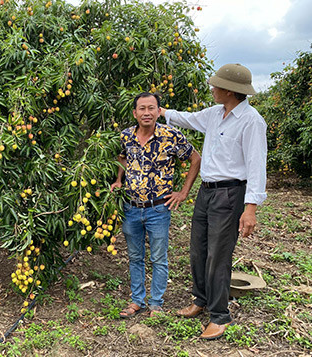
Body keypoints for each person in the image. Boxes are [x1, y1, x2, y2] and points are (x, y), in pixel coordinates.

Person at [160, 63, 267, 339]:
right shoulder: (214, 114)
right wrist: (159, 111)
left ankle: (220, 316)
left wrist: (250, 208)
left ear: (231, 91)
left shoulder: (251, 121)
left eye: (216, 85)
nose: (212, 88)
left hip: (231, 193)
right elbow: (188, 118)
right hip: (206, 191)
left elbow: (257, 166)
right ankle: (201, 300)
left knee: (218, 255)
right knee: (198, 248)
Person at [111, 92, 201, 318]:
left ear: (158, 111)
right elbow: (122, 157)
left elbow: (195, 158)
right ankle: (136, 301)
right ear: (135, 113)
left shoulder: (171, 135)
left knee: (158, 257)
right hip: (131, 207)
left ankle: (156, 303)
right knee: (134, 256)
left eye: (151, 108)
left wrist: (183, 192)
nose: (146, 113)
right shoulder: (125, 136)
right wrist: (119, 179)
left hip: (158, 208)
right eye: (142, 108)